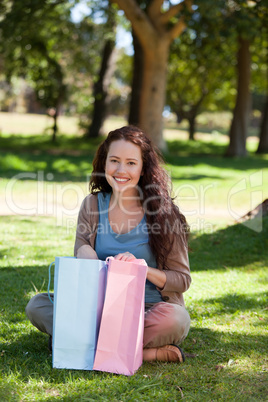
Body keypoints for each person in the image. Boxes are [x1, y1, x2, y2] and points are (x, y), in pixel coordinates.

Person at [26, 125, 191, 363]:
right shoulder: (92, 205)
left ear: (143, 168)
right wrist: (84, 251)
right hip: (97, 308)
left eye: (131, 163)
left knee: (176, 319)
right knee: (37, 305)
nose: (121, 170)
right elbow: (81, 249)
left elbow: (182, 280)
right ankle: (142, 353)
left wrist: (142, 269)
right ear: (105, 164)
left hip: (146, 310)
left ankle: (82, 343)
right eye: (114, 160)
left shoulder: (164, 214)